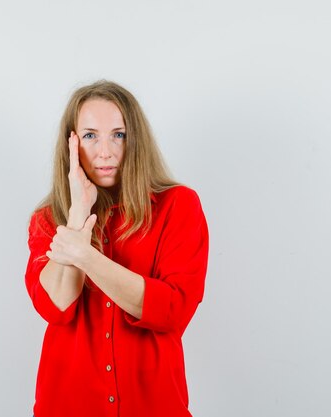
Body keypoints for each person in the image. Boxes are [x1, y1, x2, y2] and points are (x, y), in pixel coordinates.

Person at [24, 80, 209, 417]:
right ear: (72, 142)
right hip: (66, 406)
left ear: (135, 140)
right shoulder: (49, 220)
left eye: (118, 135)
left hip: (153, 406)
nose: (105, 152)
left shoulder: (178, 206)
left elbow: (172, 310)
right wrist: (78, 214)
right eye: (91, 135)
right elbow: (56, 307)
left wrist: (84, 256)